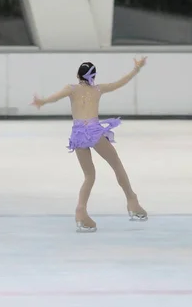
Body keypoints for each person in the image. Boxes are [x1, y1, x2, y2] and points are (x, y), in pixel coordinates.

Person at [31, 57, 148, 232]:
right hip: (93, 131)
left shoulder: (71, 89)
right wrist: (136, 69)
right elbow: (120, 83)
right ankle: (132, 201)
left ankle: (81, 211)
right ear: (93, 76)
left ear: (78, 75)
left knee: (89, 176)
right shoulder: (98, 89)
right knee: (116, 164)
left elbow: (54, 98)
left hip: (78, 133)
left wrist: (42, 101)